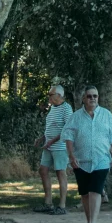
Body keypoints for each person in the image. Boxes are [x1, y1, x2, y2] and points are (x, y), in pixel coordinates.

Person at [63, 85, 112, 223]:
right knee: (85, 193)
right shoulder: (75, 117)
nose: (92, 99)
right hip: (80, 161)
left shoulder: (107, 115)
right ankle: (88, 222)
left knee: (95, 190)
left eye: (95, 96)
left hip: (101, 160)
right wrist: (71, 156)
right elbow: (68, 137)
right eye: (89, 96)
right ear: (83, 99)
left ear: (98, 98)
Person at [36, 83, 72, 214]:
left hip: (60, 147)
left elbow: (67, 129)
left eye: (51, 94)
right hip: (48, 145)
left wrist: (51, 141)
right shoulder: (53, 108)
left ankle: (62, 206)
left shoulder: (66, 108)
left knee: (60, 173)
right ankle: (48, 203)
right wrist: (42, 138)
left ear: (59, 95)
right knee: (43, 170)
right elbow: (51, 126)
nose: (49, 96)